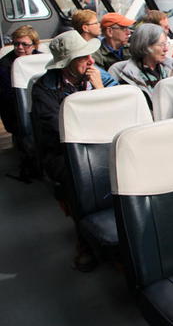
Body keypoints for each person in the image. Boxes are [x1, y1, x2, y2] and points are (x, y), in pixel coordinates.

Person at [31, 30, 117, 272]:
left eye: (90, 56)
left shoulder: (98, 76)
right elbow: (61, 130)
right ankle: (85, 242)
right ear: (65, 64)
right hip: (63, 153)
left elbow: (121, 107)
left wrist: (100, 91)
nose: (91, 62)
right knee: (80, 179)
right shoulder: (44, 91)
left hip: (104, 143)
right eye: (82, 58)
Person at [118, 23, 173, 107]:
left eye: (166, 44)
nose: (166, 49)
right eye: (161, 45)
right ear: (145, 47)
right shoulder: (128, 76)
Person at [0, 26, 42, 135]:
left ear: (35, 45)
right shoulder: (4, 66)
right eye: (16, 44)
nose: (19, 47)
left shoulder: (42, 58)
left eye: (25, 44)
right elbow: (8, 97)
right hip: (17, 110)